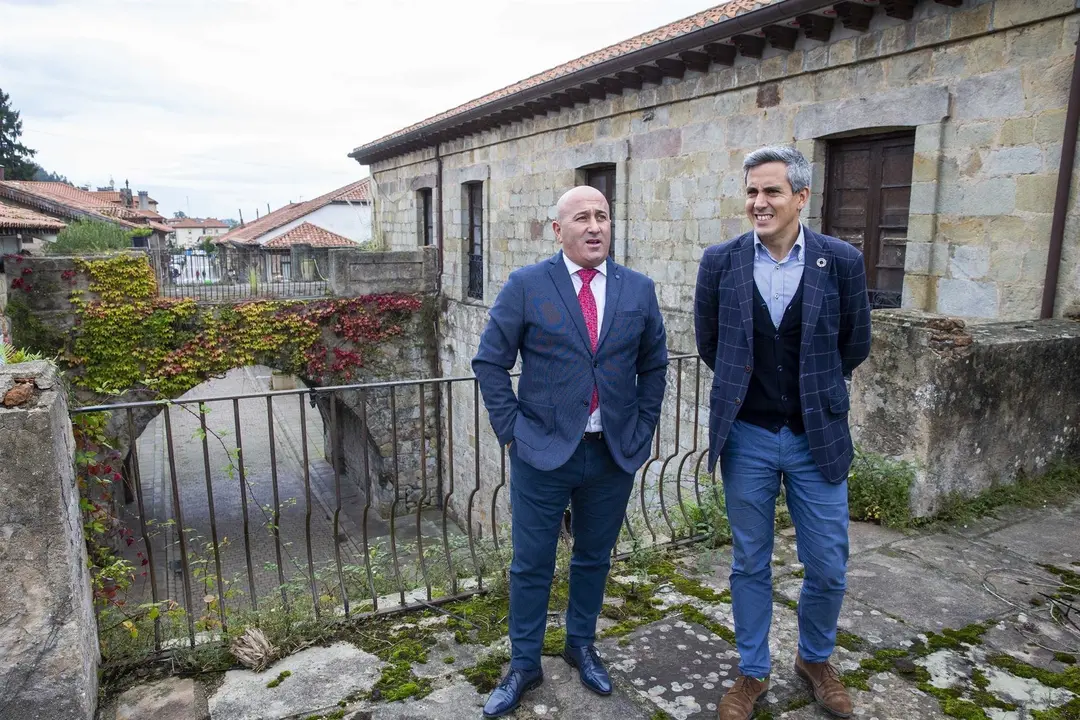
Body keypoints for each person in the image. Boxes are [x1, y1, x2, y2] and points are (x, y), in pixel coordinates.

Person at [473, 185, 668, 718]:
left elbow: (654, 365)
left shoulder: (638, 290)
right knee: (531, 564)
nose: (594, 226)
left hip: (613, 453)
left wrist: (643, 426)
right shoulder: (527, 285)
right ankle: (524, 663)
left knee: (593, 557)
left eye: (602, 215)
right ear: (557, 230)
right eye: (581, 217)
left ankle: (581, 645)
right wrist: (512, 429)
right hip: (541, 450)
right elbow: (490, 362)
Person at [693, 146, 871, 720]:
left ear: (800, 198)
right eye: (751, 191)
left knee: (828, 563)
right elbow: (710, 344)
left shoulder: (840, 261)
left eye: (771, 191)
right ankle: (752, 671)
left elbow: (855, 343)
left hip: (815, 436)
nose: (759, 202)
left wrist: (815, 391)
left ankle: (815, 659)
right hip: (745, 436)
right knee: (750, 561)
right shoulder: (719, 262)